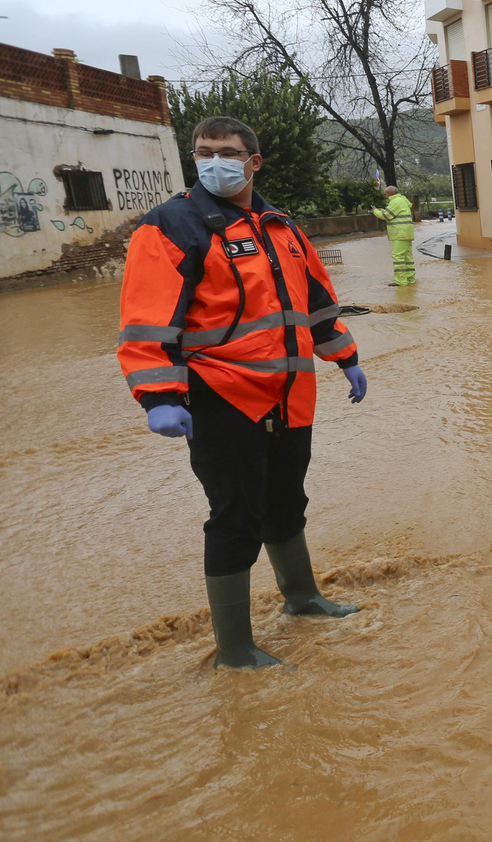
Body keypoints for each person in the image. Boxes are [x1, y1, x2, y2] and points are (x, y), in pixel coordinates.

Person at [117, 116, 367, 669]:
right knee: (235, 517)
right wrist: (159, 396)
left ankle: (302, 599)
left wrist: (344, 356)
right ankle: (234, 651)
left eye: (227, 153)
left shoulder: (281, 227)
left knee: (286, 503)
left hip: (290, 395)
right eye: (204, 153)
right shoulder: (169, 227)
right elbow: (145, 323)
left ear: (253, 162)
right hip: (220, 396)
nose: (214, 163)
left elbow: (318, 304)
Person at [372, 185, 416, 286]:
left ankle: (401, 281)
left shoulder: (395, 202)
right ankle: (410, 278)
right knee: (408, 257)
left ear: (391, 194)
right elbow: (392, 213)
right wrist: (382, 210)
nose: (386, 197)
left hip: (399, 234)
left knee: (398, 257)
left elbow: (386, 215)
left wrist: (375, 211)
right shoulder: (403, 200)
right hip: (407, 233)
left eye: (386, 194)